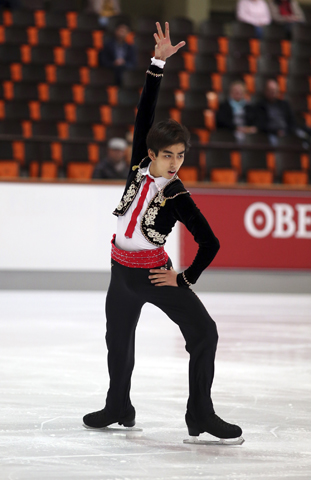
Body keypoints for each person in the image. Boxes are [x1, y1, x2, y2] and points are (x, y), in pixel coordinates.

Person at [83, 22, 243, 443]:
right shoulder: (139, 165)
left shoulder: (178, 195)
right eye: (168, 155)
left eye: (181, 156)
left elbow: (211, 242)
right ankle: (118, 405)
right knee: (117, 343)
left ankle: (201, 414)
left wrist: (184, 278)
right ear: (151, 153)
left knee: (204, 333)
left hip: (155, 275)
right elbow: (145, 113)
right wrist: (158, 62)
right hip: (120, 273)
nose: (175, 163)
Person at [255, 78, 295, 145]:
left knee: (301, 139)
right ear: (265, 91)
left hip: (287, 132)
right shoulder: (260, 105)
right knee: (274, 142)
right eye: (270, 90)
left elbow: (292, 121)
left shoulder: (284, 104)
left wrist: (286, 131)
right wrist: (276, 132)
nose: (273, 92)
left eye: (275, 90)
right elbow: (261, 125)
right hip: (270, 134)